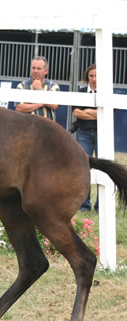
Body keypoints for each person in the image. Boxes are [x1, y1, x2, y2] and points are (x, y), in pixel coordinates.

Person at [72, 64, 98, 212]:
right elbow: (76, 113)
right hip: (84, 133)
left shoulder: (106, 92)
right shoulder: (81, 92)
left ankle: (100, 205)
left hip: (101, 133)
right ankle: (85, 204)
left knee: (103, 168)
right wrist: (94, 113)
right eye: (91, 76)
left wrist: (86, 111)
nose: (94, 79)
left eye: (96, 76)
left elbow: (108, 114)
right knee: (83, 167)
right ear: (87, 78)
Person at [14, 55, 60, 120]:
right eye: (33, 68)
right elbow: (19, 108)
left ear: (46, 71)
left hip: (47, 127)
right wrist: (41, 104)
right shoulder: (22, 86)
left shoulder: (53, 86)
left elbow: (54, 105)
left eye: (39, 68)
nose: (35, 71)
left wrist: (39, 90)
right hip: (26, 126)